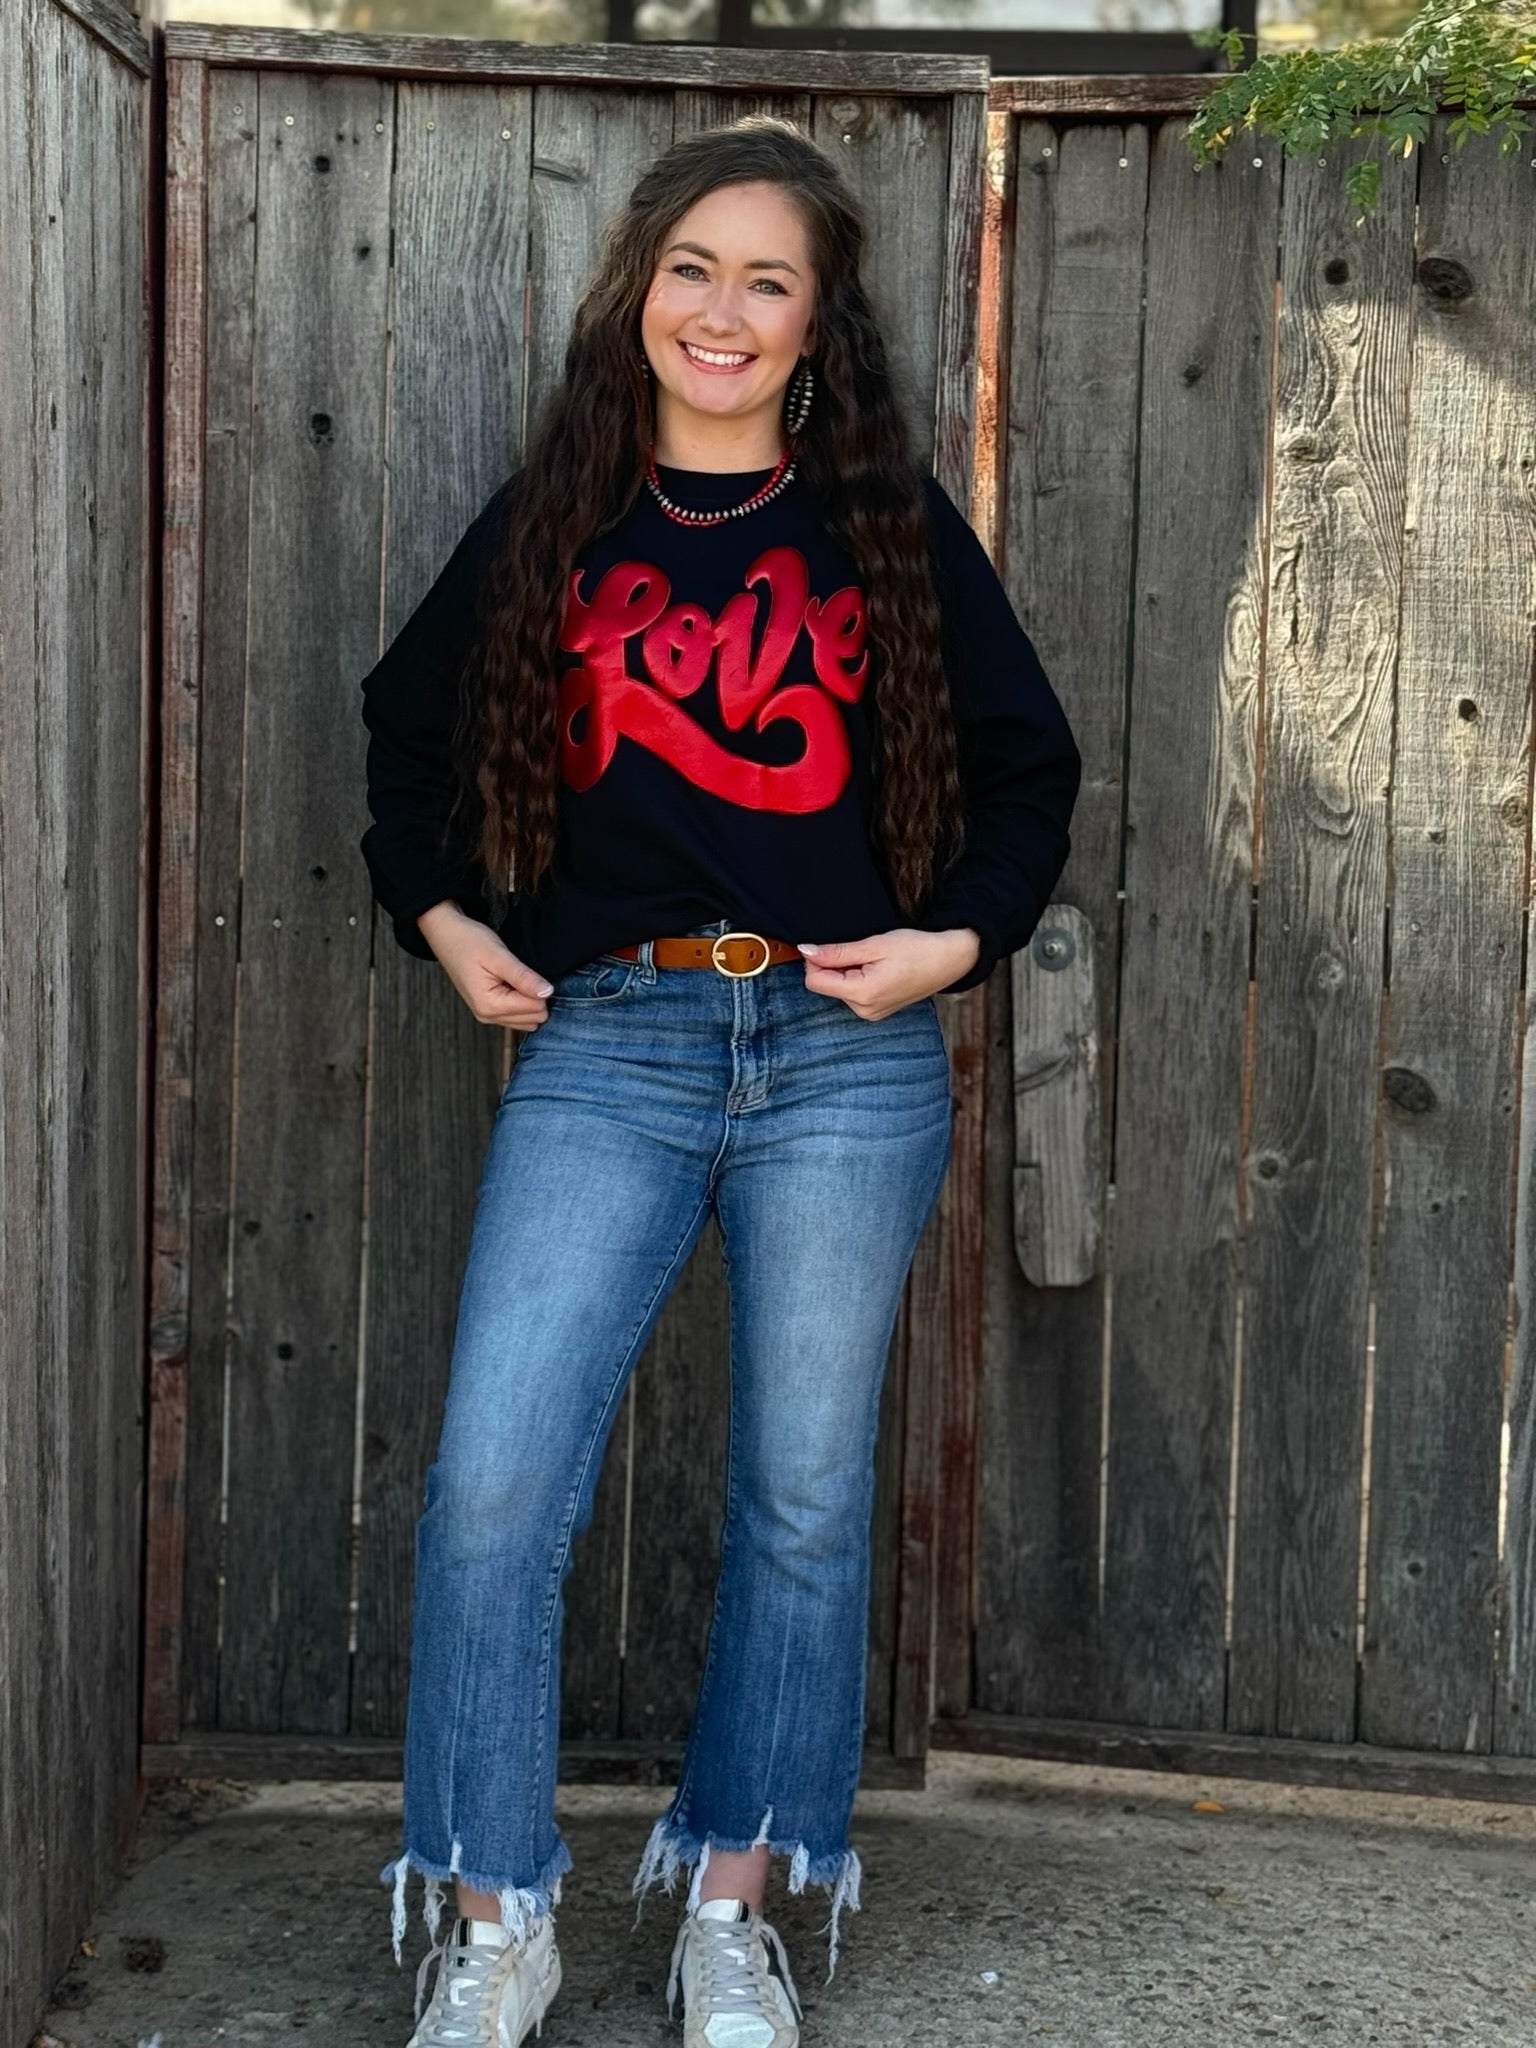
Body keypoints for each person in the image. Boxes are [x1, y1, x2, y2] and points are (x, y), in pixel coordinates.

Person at [359, 114, 1081, 2048]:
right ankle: (498, 1917)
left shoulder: (888, 529)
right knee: (495, 1484)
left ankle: (734, 1906)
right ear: (639, 294)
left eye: (771, 280)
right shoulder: (551, 525)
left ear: (821, 325)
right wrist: (442, 920)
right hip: (609, 1042)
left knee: (802, 1500)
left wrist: (954, 945)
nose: (726, 309)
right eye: (695, 268)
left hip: (844, 1062)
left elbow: (1029, 773)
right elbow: (400, 737)